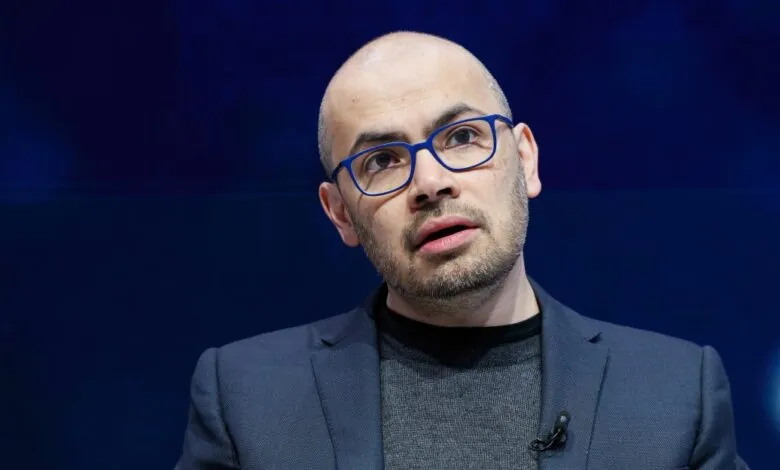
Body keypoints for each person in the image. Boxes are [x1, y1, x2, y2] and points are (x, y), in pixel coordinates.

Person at [175, 31, 747, 469]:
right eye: (382, 161)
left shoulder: (676, 393)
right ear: (340, 212)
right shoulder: (247, 398)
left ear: (525, 160)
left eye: (463, 137)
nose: (431, 182)